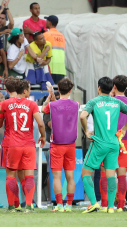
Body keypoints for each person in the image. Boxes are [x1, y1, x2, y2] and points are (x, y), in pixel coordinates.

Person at [79, 77, 127, 214]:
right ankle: (111, 207)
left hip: (99, 143)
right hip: (113, 144)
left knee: (85, 173)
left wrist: (86, 130)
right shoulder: (117, 102)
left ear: (98, 88)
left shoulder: (94, 101)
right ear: (112, 88)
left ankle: (93, 203)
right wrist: (124, 129)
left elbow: (82, 116)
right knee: (111, 175)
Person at [0, 79, 45, 213]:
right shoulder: (32, 104)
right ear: (24, 91)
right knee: (29, 176)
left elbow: (0, 124)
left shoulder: (4, 104)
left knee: (11, 176)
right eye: (29, 89)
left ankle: (12, 207)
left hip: (12, 144)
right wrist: (42, 136)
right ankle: (29, 206)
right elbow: (40, 124)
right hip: (28, 144)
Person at [42, 78, 79, 212]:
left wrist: (49, 97)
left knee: (56, 177)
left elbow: (43, 109)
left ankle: (59, 205)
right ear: (70, 90)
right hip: (71, 145)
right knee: (70, 176)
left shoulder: (52, 105)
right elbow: (63, 107)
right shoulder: (76, 105)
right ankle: (69, 205)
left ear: (59, 89)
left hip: (57, 145)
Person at [99, 75, 127, 212]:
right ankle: (121, 205)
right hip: (124, 141)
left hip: (109, 140)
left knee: (105, 173)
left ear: (114, 86)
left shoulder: (110, 101)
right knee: (122, 175)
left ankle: (105, 204)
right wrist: (125, 129)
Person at [43, 16, 66, 84]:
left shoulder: (45, 35)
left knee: (49, 90)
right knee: (59, 92)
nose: (45, 22)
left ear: (49, 23)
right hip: (60, 69)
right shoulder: (62, 36)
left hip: (50, 67)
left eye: (46, 21)